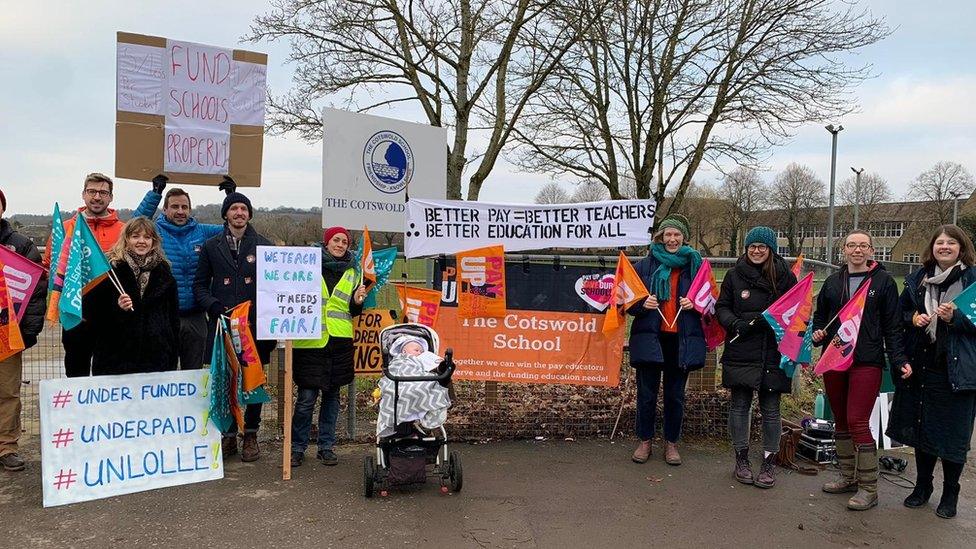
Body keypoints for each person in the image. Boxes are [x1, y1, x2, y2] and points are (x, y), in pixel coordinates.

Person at [812, 229, 908, 511]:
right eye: (852, 245)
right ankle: (847, 476)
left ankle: (869, 487)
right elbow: (821, 317)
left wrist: (899, 358)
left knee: (857, 421)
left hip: (867, 360)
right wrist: (818, 332)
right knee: (840, 419)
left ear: (871, 251)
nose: (857, 250)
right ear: (844, 250)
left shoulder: (884, 282)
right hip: (835, 359)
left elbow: (892, 325)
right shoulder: (832, 282)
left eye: (863, 245)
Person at [888, 225, 976, 519]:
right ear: (933, 247)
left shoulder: (973, 280)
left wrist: (957, 318)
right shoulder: (917, 279)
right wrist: (912, 317)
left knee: (953, 435)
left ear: (961, 248)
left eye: (951, 242)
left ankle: (951, 491)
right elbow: (897, 316)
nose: (945, 247)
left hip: (957, 370)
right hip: (922, 366)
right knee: (923, 428)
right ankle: (922, 486)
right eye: (940, 242)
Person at [194, 191, 276, 462]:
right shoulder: (210, 246)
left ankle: (250, 434)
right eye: (234, 209)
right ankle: (228, 434)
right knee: (226, 380)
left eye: (244, 209)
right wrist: (213, 304)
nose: (239, 213)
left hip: (255, 329)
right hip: (223, 327)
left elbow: (274, 290)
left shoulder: (265, 246)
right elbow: (199, 286)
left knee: (253, 382)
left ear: (249, 214)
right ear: (226, 214)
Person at [715, 226, 796, 489]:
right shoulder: (733, 275)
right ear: (746, 249)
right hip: (741, 349)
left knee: (771, 410)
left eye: (762, 246)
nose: (757, 250)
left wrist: (773, 326)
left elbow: (795, 311)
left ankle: (769, 462)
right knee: (740, 406)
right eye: (752, 246)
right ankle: (741, 459)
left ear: (771, 249)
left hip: (774, 352)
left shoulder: (785, 277)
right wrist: (736, 324)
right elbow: (722, 307)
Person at [133, 174, 236, 370]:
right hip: (164, 315)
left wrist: (232, 197)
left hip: (196, 316)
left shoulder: (202, 232)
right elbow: (135, 224)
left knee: (193, 373)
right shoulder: (154, 231)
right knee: (164, 372)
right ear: (165, 209)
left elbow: (234, 229)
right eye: (174, 207)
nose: (180, 211)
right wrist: (155, 193)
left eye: (184, 207)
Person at [627, 214, 705, 466]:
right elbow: (625, 300)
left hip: (680, 341)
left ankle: (671, 443)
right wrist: (642, 303)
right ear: (660, 237)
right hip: (651, 338)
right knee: (646, 394)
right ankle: (645, 440)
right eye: (667, 235)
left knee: (675, 395)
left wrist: (696, 304)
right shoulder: (643, 266)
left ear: (684, 238)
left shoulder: (695, 265)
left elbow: (710, 301)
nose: (672, 239)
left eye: (677, 235)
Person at [291, 226, 367, 467]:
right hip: (310, 342)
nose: (341, 244)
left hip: (339, 342)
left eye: (345, 241)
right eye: (336, 240)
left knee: (332, 398)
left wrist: (357, 302)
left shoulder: (354, 272)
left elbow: (352, 310)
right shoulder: (307, 265)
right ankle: (296, 448)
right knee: (306, 399)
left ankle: (326, 446)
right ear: (326, 243)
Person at [44, 173, 125, 378]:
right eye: (92, 191)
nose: (97, 197)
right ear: (83, 194)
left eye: (103, 192)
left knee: (107, 373)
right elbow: (50, 267)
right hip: (76, 313)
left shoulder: (124, 230)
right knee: (76, 371)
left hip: (112, 315)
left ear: (111, 197)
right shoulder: (65, 228)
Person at [84, 218, 179, 375]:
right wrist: (117, 308)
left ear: (154, 242)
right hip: (116, 358)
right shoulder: (110, 271)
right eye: (135, 236)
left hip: (156, 358)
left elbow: (173, 320)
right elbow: (93, 314)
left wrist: (172, 355)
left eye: (147, 237)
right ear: (126, 239)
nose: (141, 241)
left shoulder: (165, 274)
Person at [0, 189, 48, 471]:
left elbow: (36, 289)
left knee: (7, 393)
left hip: (7, 333)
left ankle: (6, 446)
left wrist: (29, 331)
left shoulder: (20, 244)